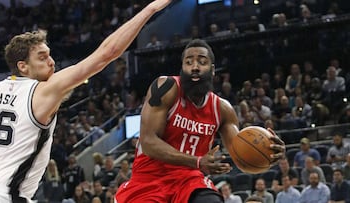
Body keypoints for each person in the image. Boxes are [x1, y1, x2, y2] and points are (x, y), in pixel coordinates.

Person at [0, 0, 172, 202]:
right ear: (23, 66)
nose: (51, 62)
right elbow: (106, 54)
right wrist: (150, 9)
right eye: (42, 58)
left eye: (50, 56)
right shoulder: (40, 91)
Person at [115, 39, 285, 202]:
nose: (195, 67)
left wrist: (270, 154)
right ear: (182, 68)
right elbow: (148, 142)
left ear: (212, 70)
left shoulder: (222, 109)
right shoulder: (166, 87)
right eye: (188, 62)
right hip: (150, 177)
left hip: (189, 180)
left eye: (201, 62)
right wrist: (196, 161)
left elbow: (241, 155)